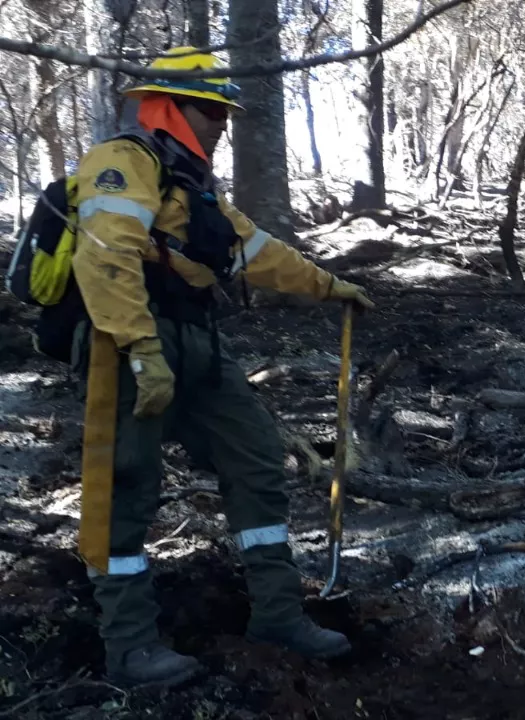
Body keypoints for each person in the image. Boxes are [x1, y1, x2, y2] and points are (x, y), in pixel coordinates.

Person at [69, 47, 374, 687]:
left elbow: (255, 251)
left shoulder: (195, 185)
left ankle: (278, 614)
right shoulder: (120, 164)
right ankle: (130, 647)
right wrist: (141, 349)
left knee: (257, 459)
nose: (221, 123)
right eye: (209, 109)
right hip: (126, 344)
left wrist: (329, 285)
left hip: (199, 343)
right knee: (125, 488)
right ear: (168, 107)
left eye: (225, 112)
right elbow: (105, 260)